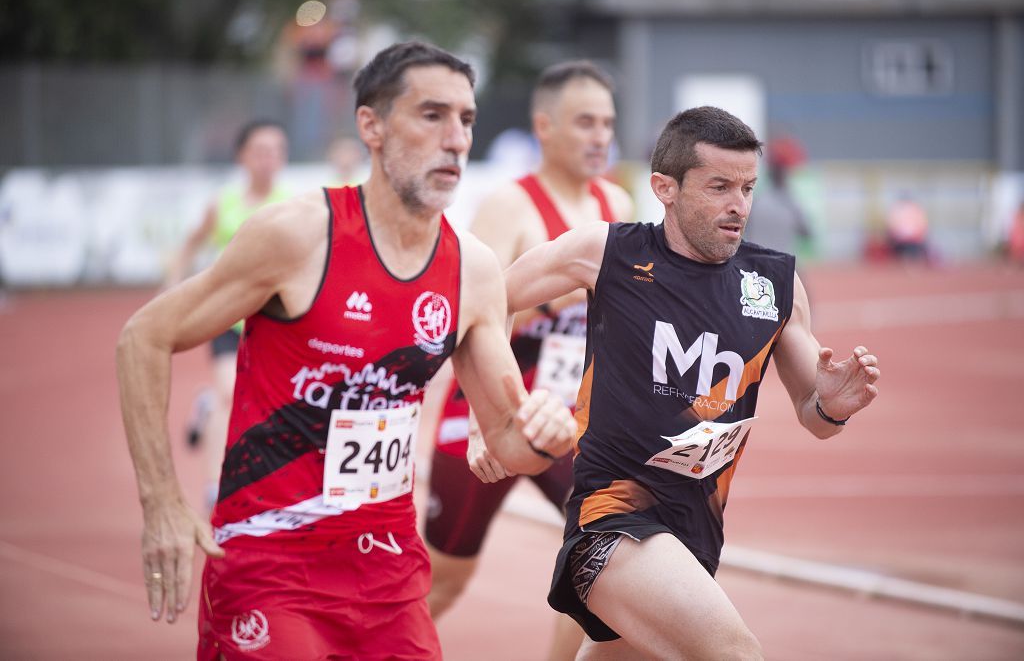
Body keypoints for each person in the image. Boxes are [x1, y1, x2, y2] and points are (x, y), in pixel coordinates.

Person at [116, 41, 576, 660]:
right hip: (269, 561)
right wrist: (164, 503)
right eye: (432, 115)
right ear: (372, 126)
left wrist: (550, 428)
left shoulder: (473, 270)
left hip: (387, 573)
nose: (457, 138)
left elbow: (509, 443)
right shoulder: (297, 236)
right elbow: (143, 336)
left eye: (466, 119)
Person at [487, 106, 881, 659]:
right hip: (612, 520)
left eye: (747, 187)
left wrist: (833, 405)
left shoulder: (775, 283)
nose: (738, 205)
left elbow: (815, 416)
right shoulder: (607, 252)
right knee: (736, 654)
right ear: (664, 187)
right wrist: (497, 417)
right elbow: (487, 301)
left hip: (696, 533)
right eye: (719, 186)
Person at [422, 60, 634, 659]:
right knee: (445, 579)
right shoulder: (509, 207)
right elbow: (470, 318)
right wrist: (488, 425)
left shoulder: (614, 201)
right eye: (585, 122)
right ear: (544, 126)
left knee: (614, 558)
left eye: (608, 124)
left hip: (569, 426)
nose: (600, 137)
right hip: (492, 419)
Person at [166, 119, 291, 511]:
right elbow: (189, 244)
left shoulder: (294, 205)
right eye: (260, 151)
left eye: (275, 152)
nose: (267, 160)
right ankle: (212, 488)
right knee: (227, 394)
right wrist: (172, 285)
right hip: (229, 319)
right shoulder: (223, 204)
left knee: (266, 405)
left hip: (274, 323)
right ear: (243, 156)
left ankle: (207, 408)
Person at [743, 136, 811, 257]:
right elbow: (806, 233)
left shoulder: (756, 201)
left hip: (756, 261)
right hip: (782, 262)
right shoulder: (791, 203)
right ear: (785, 176)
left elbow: (743, 228)